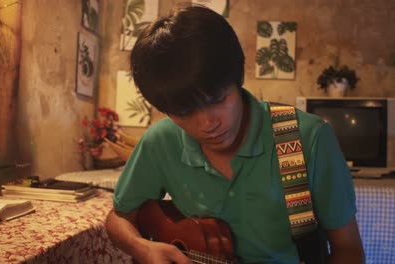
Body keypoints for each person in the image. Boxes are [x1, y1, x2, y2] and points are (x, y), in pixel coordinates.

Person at [105, 3, 365, 264]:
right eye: (184, 112)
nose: (207, 123)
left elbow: (349, 250)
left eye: (217, 99)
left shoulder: (306, 138)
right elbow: (119, 218)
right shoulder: (161, 141)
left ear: (238, 75)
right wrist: (142, 248)